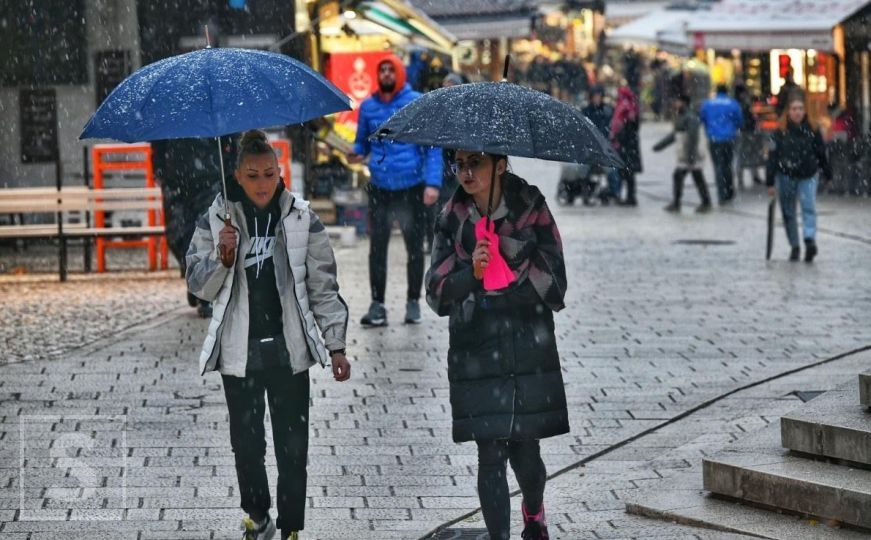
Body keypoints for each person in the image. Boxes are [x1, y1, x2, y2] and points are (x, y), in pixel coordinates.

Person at [186, 130, 352, 540]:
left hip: (289, 349)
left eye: (269, 174)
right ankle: (258, 516)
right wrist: (222, 260)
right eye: (253, 175)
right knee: (247, 445)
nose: (263, 184)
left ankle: (292, 526)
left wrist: (336, 345)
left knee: (293, 448)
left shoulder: (301, 219)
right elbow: (196, 283)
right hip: (239, 352)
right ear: (238, 177)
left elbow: (323, 287)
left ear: (280, 174)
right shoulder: (217, 219)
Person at [425, 150, 569, 540]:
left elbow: (557, 282)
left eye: (477, 163)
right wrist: (472, 274)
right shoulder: (451, 217)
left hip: (527, 341)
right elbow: (436, 293)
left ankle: (533, 511)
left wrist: (511, 257)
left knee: (525, 451)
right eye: (459, 164)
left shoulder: (531, 206)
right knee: (489, 452)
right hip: (476, 343)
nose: (466, 172)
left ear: (500, 165)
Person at [349, 54, 443, 327]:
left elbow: (431, 148)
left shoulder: (415, 102)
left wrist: (432, 184)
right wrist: (353, 154)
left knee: (414, 248)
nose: (387, 74)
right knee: (376, 249)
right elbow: (362, 144)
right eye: (383, 70)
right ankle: (377, 304)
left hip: (412, 187)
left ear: (400, 73)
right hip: (380, 188)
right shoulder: (368, 107)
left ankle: (413, 302)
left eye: (391, 70)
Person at [152, 136, 234, 318]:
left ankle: (204, 294)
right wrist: (159, 167)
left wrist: (229, 164)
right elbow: (158, 141)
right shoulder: (169, 111)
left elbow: (231, 136)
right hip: (176, 178)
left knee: (205, 235)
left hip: (209, 174)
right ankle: (194, 276)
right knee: (178, 235)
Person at [766, 98, 831, 262]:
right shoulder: (779, 132)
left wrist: (827, 172)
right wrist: (770, 180)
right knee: (788, 212)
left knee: (808, 206)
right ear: (788, 111)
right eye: (794, 109)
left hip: (808, 174)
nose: (797, 112)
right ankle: (794, 245)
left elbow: (821, 152)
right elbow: (772, 156)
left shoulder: (813, 129)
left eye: (800, 109)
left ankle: (809, 240)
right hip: (786, 175)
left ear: (805, 111)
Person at [661, 95, 712, 213]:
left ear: (684, 102)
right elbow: (675, 134)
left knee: (681, 176)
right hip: (686, 153)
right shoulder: (683, 115)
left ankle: (678, 203)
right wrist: (660, 145)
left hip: (689, 154)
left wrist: (691, 155)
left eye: (677, 101)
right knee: (695, 176)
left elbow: (692, 137)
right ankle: (704, 202)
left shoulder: (689, 117)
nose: (675, 103)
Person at [700, 84, 743, 204]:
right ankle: (729, 190)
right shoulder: (732, 103)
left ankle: (722, 193)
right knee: (727, 164)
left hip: (714, 139)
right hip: (729, 138)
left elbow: (702, 118)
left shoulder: (708, 104)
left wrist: (710, 129)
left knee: (718, 166)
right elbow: (739, 120)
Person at [580, 85, 618, 204]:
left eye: (598, 96)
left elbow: (608, 129)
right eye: (594, 97)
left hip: (603, 148)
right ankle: (585, 191)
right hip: (589, 149)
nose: (597, 99)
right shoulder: (586, 111)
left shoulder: (607, 111)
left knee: (612, 171)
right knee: (583, 170)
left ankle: (612, 192)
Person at [610, 84, 642, 206]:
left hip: (626, 145)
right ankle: (629, 196)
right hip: (630, 145)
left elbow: (623, 128)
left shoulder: (624, 108)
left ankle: (629, 197)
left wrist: (617, 138)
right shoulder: (633, 107)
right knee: (628, 173)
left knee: (626, 172)